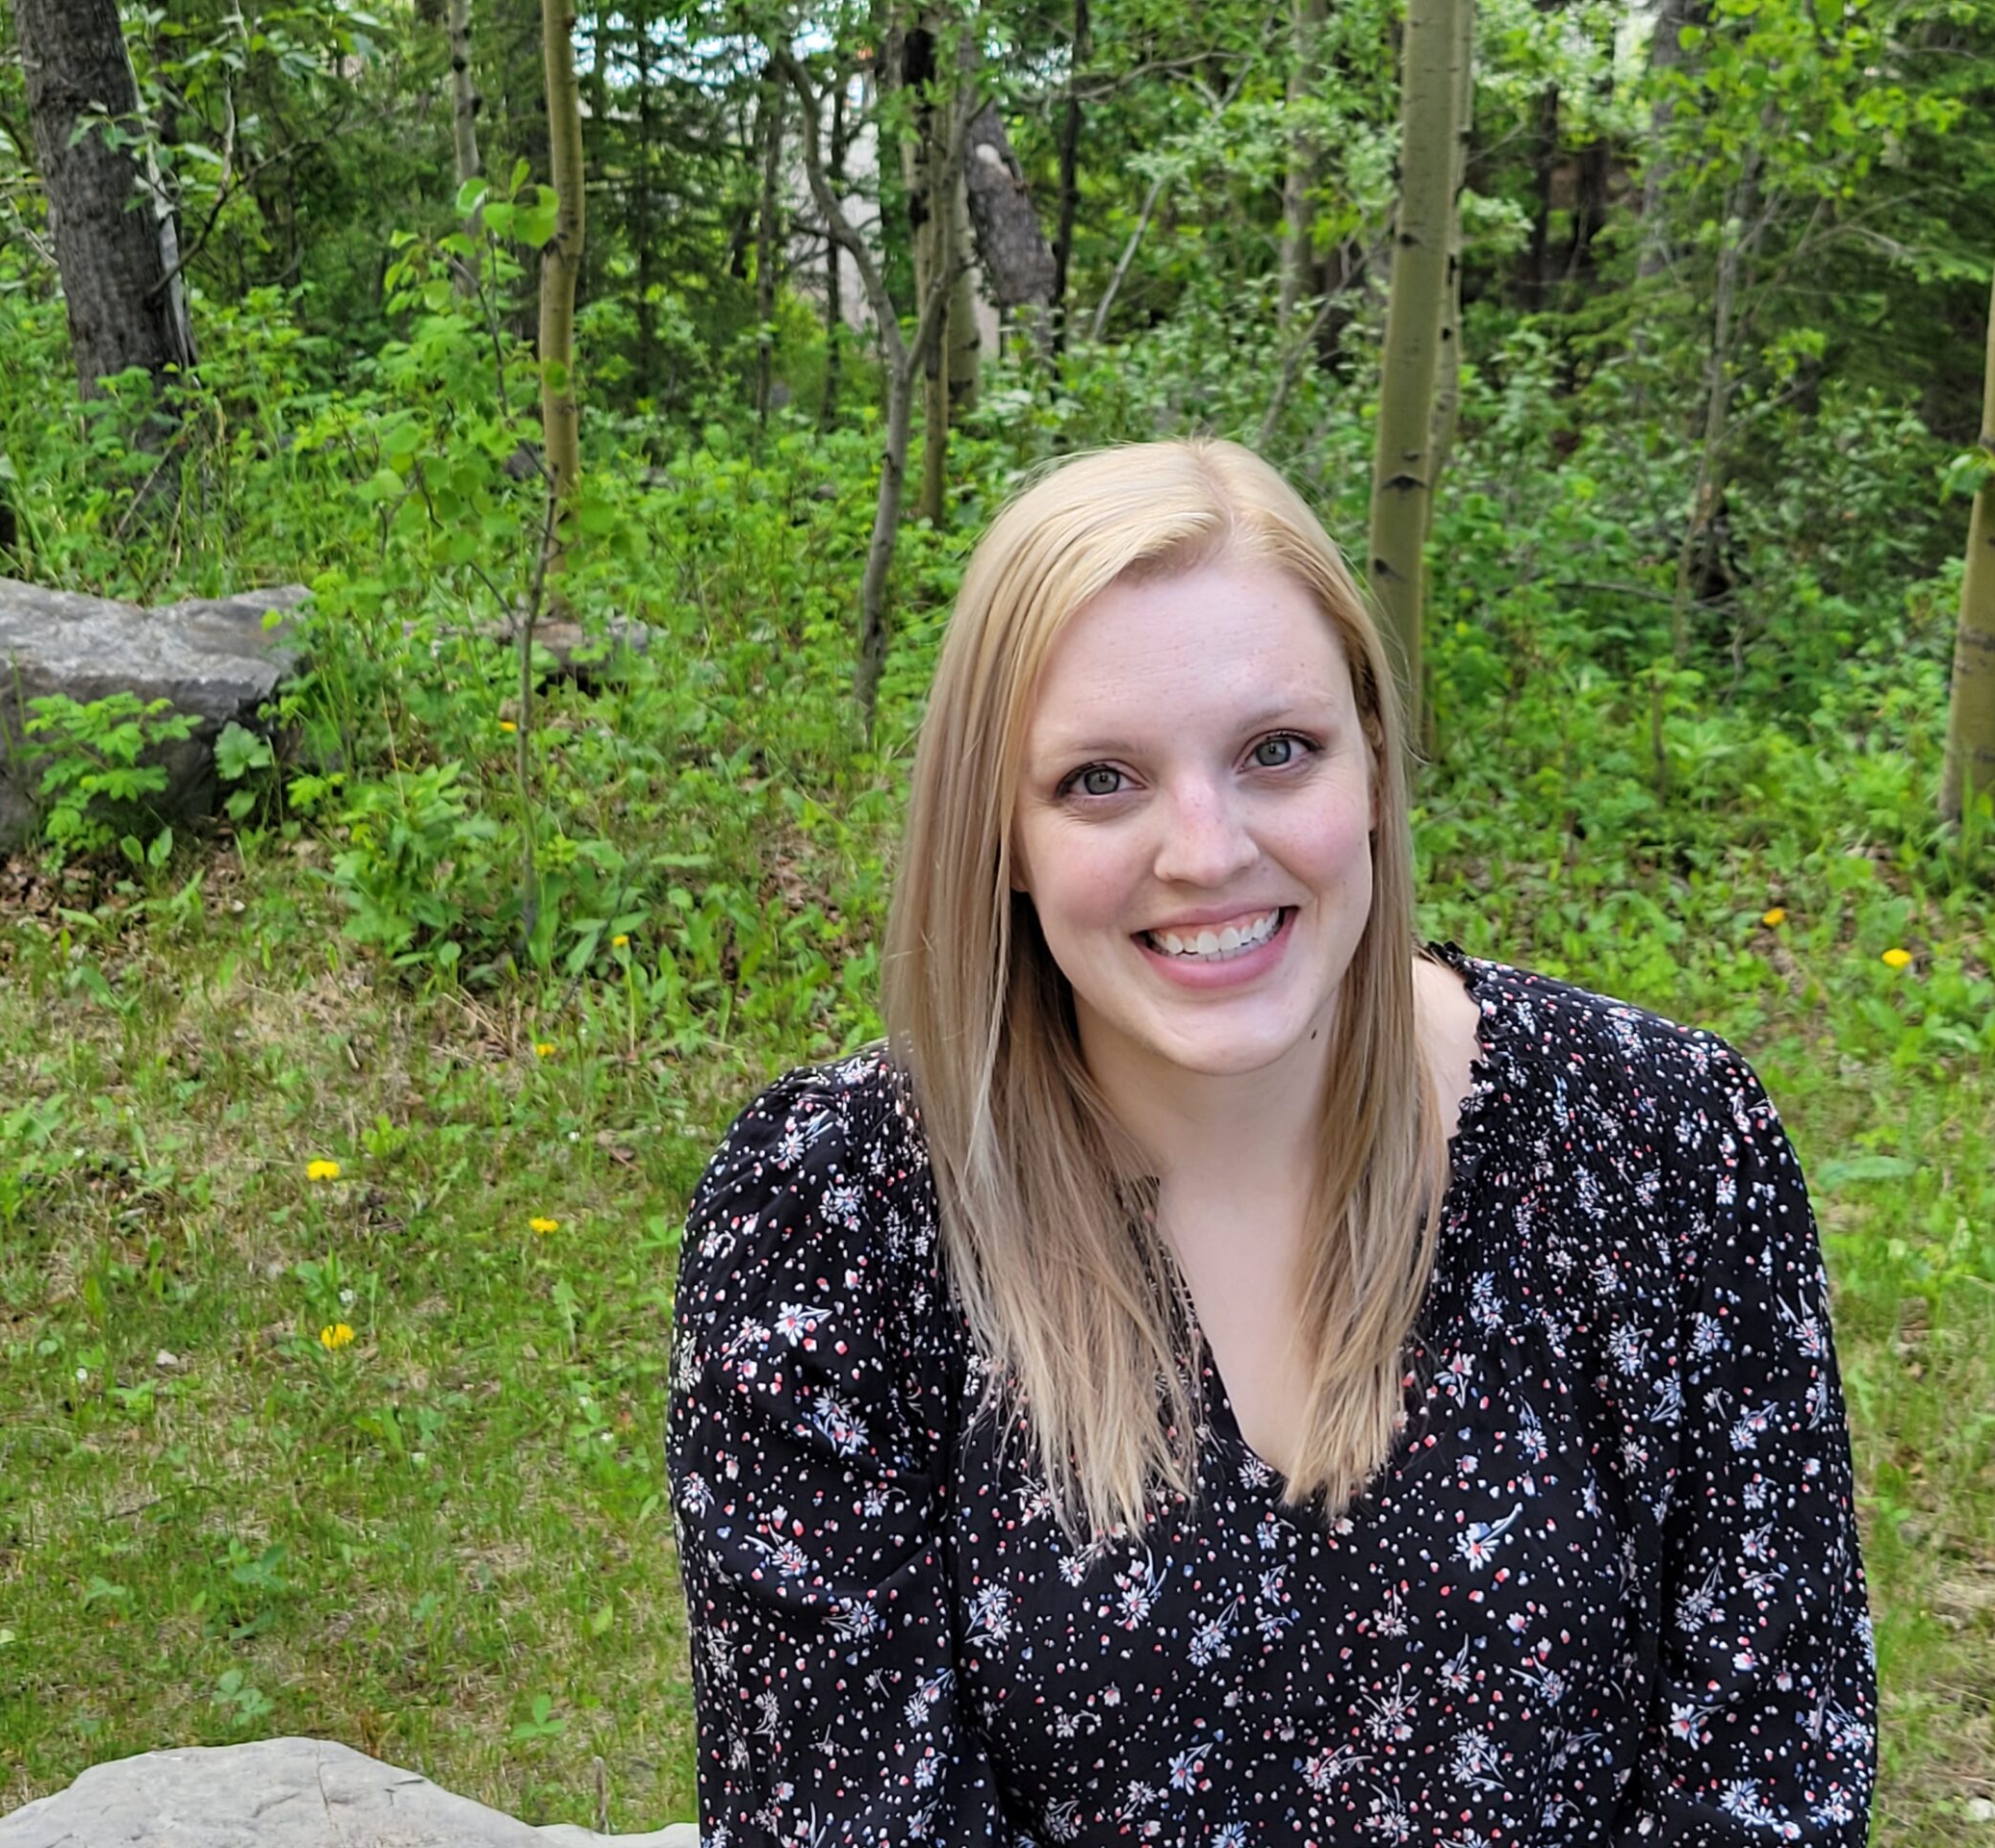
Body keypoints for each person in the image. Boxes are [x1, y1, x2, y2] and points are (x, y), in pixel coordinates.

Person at [666, 439, 1877, 1846]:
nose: (1206, 850)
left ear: (1374, 763)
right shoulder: (828, 1220)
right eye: (1100, 780)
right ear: (998, 835)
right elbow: (843, 1810)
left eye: (1276, 752)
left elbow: (1771, 1773)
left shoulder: (1659, 1143)